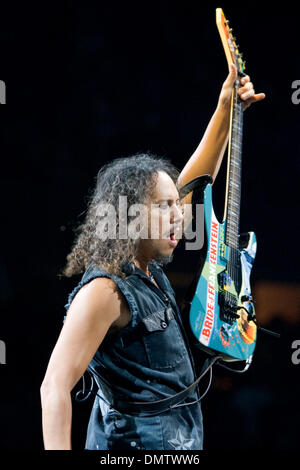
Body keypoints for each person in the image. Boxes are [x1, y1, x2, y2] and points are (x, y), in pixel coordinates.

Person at [40, 64, 265, 450]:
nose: (180, 214)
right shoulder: (104, 292)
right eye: (163, 206)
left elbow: (196, 180)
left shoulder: (148, 273)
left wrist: (226, 111)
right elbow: (54, 386)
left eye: (176, 205)